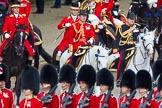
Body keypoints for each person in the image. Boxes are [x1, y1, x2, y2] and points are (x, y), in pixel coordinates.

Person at [113, 12, 140, 85]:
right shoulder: (122, 27)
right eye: (131, 19)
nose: (132, 21)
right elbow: (117, 39)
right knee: (122, 59)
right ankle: (119, 77)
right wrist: (115, 50)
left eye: (133, 19)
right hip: (124, 47)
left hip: (134, 47)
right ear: (127, 19)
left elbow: (139, 38)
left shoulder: (137, 27)